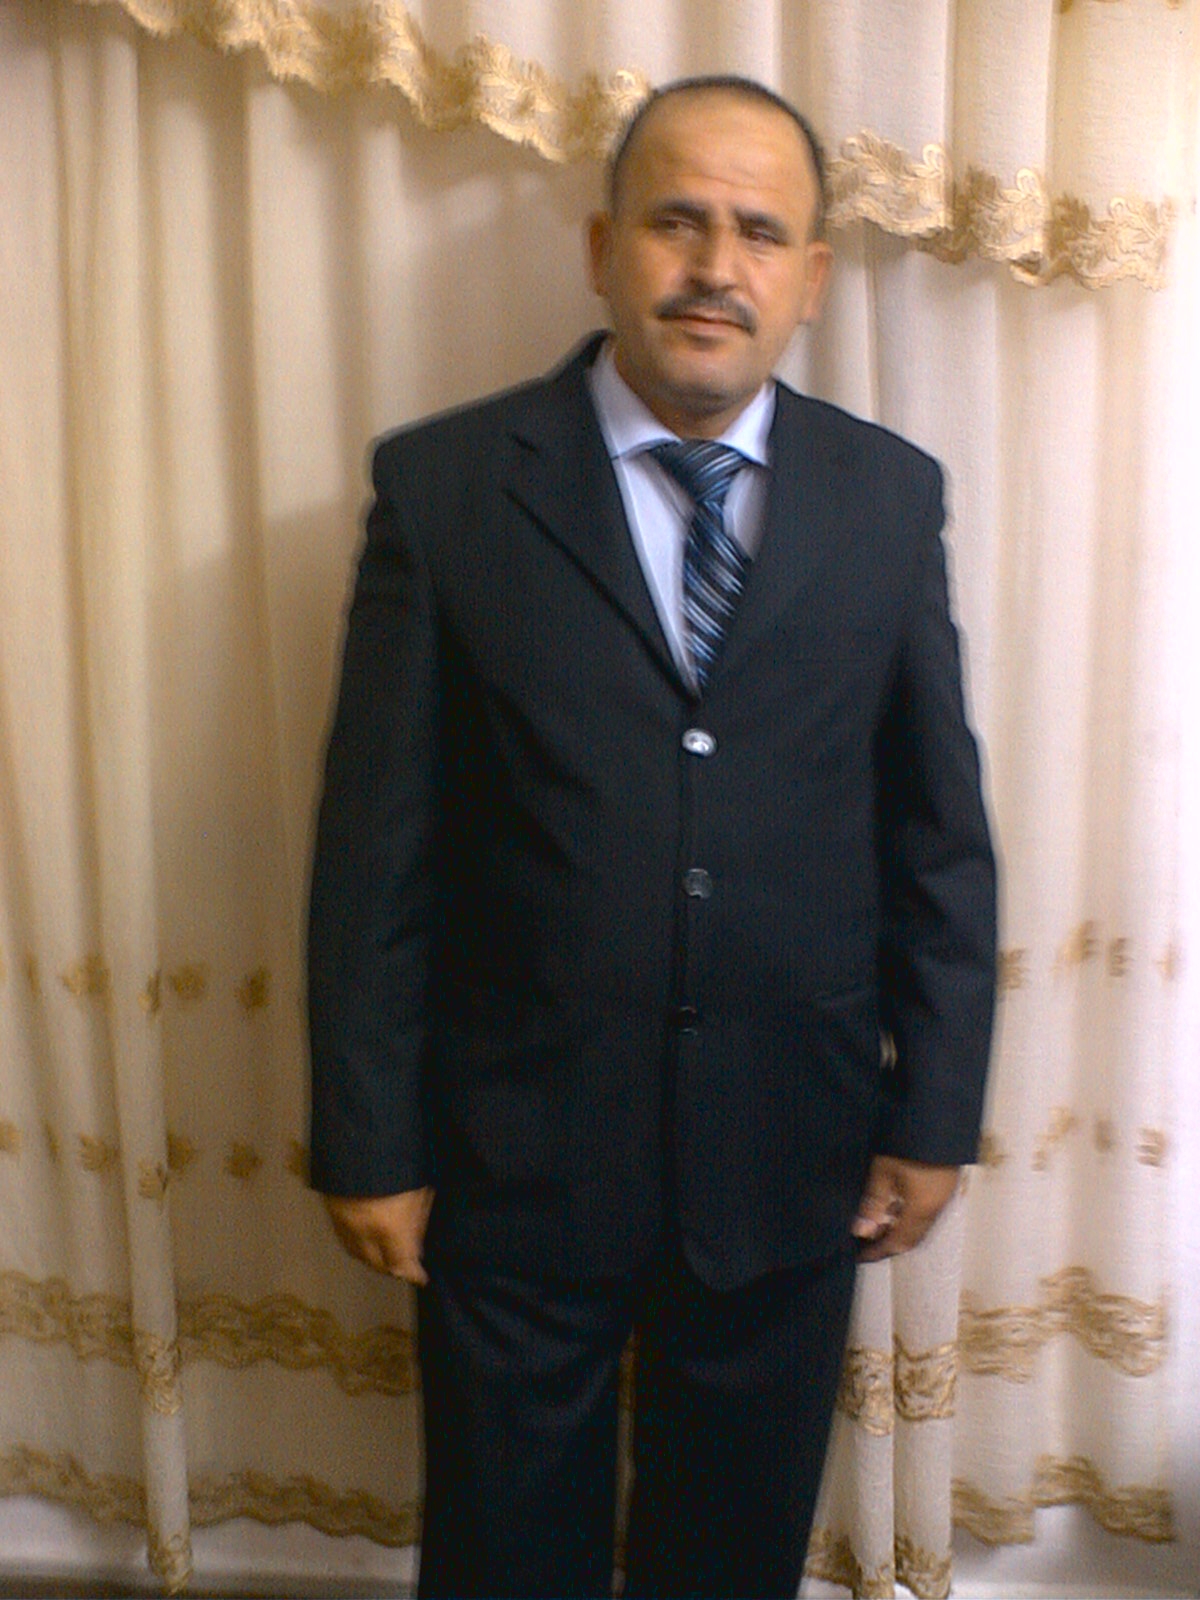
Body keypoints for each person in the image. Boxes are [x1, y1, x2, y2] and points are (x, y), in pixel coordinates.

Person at [307, 75, 996, 1600]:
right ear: (603, 246)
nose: (715, 267)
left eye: (760, 232)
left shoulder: (889, 499)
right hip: (512, 1157)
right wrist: (368, 1140)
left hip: (792, 1150)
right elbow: (374, 852)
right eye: (678, 222)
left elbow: (937, 835)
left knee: (730, 1557)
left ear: (811, 278)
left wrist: (936, 1112)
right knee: (502, 1556)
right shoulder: (445, 488)